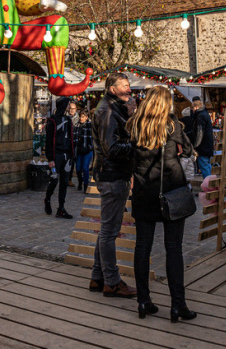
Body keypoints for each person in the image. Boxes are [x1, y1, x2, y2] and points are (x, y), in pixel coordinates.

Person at [128, 86, 197, 323]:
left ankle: (143, 301)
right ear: (166, 104)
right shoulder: (172, 125)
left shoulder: (134, 125)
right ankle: (178, 305)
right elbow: (189, 150)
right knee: (173, 248)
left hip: (143, 190)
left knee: (142, 247)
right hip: (171, 190)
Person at [90, 73, 137, 298]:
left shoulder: (113, 108)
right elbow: (111, 148)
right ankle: (112, 281)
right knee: (110, 232)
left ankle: (98, 277)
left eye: (129, 85)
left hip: (112, 173)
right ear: (112, 89)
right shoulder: (107, 111)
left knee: (107, 230)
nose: (129, 89)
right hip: (112, 174)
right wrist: (137, 145)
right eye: (125, 86)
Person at [44, 97, 74, 219]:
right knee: (54, 180)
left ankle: (61, 208)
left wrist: (72, 155)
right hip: (56, 156)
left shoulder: (68, 120)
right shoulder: (52, 121)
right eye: (68, 105)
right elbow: (48, 141)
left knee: (64, 183)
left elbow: (71, 138)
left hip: (67, 156)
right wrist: (50, 158)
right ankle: (47, 198)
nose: (69, 107)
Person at [190, 96, 214, 178]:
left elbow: (200, 133)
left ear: (196, 107)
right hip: (207, 145)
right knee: (207, 166)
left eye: (192, 108)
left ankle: (208, 184)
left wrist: (196, 146)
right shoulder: (205, 114)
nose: (192, 110)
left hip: (203, 146)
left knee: (204, 166)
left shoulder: (200, 116)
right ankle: (209, 183)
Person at [73, 109, 94, 192]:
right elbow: (74, 138)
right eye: (80, 117)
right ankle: (80, 181)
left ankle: (86, 184)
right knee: (78, 168)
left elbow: (93, 137)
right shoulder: (76, 125)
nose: (81, 118)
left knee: (85, 168)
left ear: (86, 117)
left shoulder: (90, 125)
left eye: (83, 117)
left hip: (87, 150)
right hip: (79, 150)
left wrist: (90, 146)